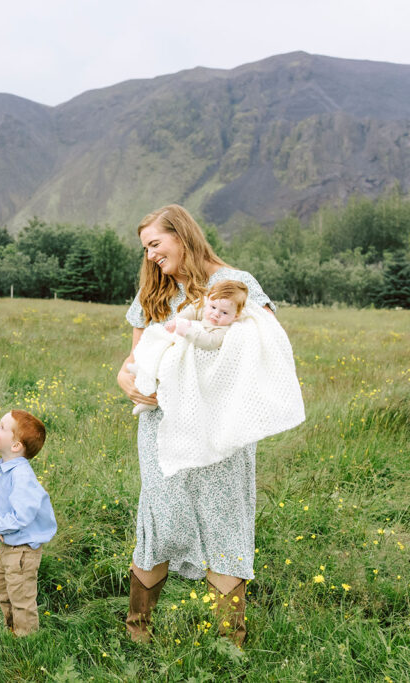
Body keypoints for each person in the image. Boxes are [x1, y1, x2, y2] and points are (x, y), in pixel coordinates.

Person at [117, 204, 277, 647]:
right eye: (145, 248)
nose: (149, 256)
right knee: (159, 519)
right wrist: (127, 381)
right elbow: (131, 362)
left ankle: (229, 645)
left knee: (224, 522)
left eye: (155, 244)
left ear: (182, 236)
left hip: (219, 433)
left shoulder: (236, 284)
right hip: (161, 430)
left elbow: (266, 354)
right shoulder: (154, 293)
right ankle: (138, 632)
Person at [0, 410, 56, 636]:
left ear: (15, 446)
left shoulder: (22, 475)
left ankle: (27, 639)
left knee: (21, 594)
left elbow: (23, 515)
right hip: (9, 544)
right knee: (1, 585)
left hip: (23, 549)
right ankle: (12, 628)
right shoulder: (2, 468)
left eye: (2, 427)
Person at [129, 280, 249, 415]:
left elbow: (210, 342)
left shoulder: (223, 329)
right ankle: (144, 370)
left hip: (193, 363)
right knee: (160, 346)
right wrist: (176, 321)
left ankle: (151, 400)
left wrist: (188, 331)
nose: (215, 314)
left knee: (169, 371)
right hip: (177, 348)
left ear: (235, 316)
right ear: (208, 301)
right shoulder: (206, 309)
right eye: (213, 307)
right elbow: (192, 310)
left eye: (224, 313)